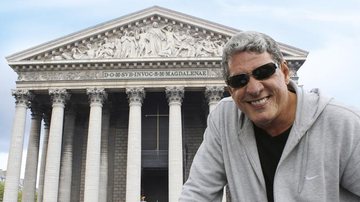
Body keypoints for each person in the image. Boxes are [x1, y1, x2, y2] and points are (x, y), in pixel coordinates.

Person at [179, 31, 360, 201]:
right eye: (239, 81)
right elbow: (198, 193)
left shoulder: (344, 124)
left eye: (263, 72)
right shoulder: (225, 119)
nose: (254, 89)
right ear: (230, 91)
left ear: (285, 72)